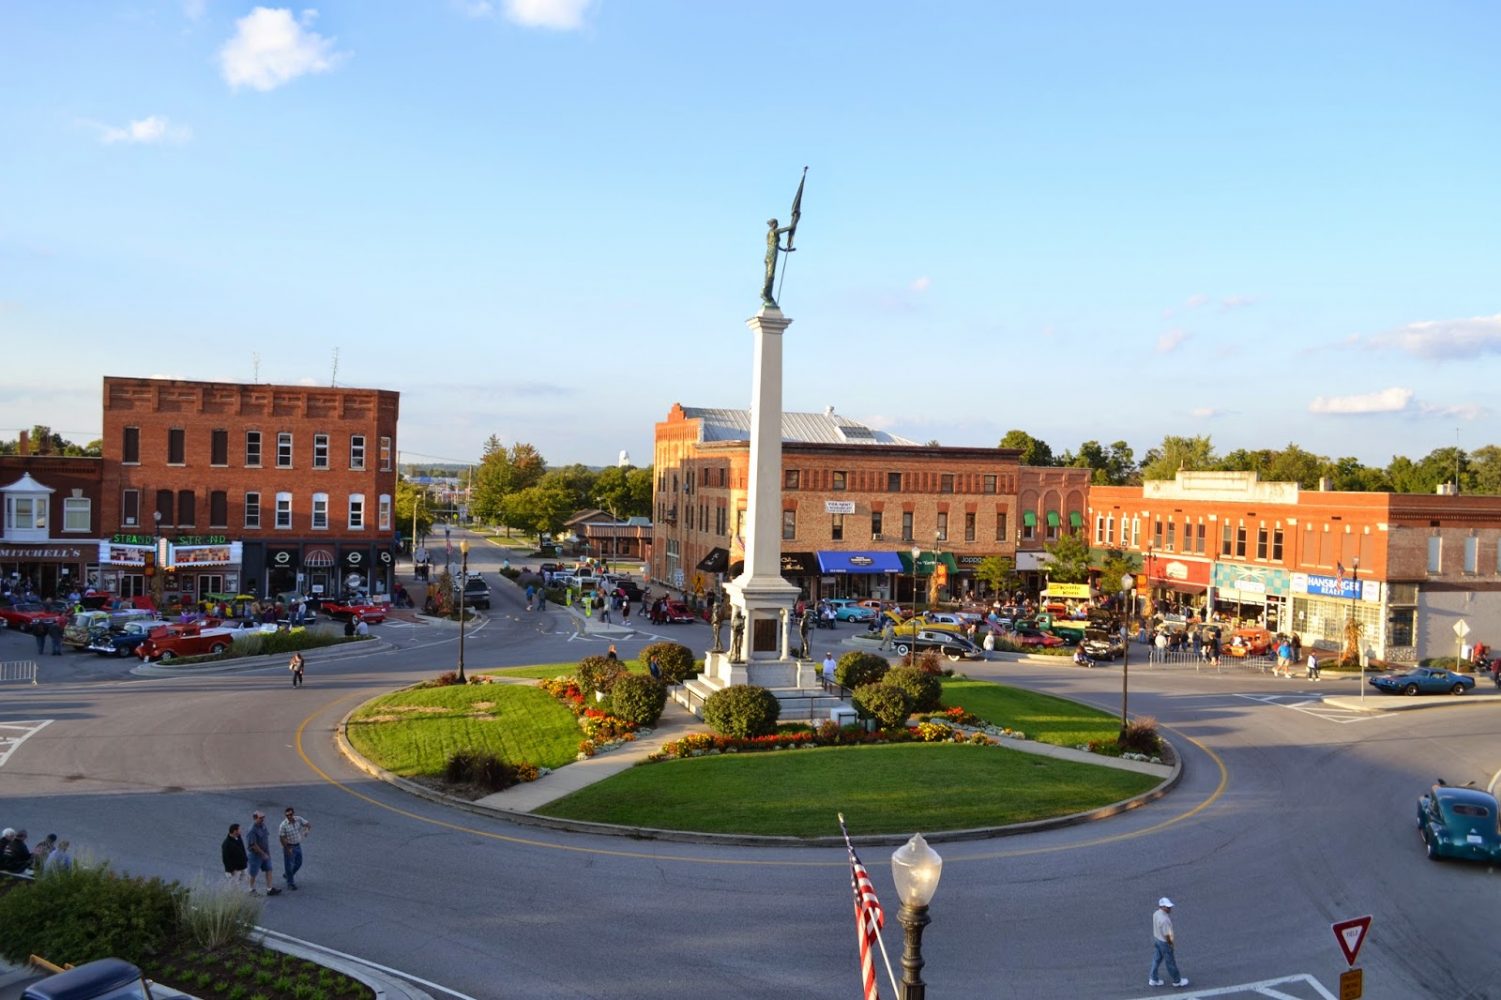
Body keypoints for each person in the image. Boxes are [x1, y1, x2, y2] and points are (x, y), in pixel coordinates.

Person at [1149, 897, 1189, 988]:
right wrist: (1171, 945)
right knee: (1170, 962)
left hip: (1157, 939)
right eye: (1167, 907)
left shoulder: (1156, 914)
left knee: (1156, 960)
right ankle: (1177, 981)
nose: (1170, 908)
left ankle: (1153, 978)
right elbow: (1168, 935)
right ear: (1162, 907)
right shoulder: (1165, 920)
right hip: (1164, 943)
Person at [246, 811, 279, 895]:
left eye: (263, 817)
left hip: (265, 853)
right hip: (255, 855)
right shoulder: (252, 830)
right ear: (255, 818)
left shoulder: (263, 826)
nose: (263, 819)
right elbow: (253, 845)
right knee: (253, 873)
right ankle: (251, 889)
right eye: (260, 818)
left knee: (269, 869)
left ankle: (269, 889)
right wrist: (262, 854)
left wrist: (266, 853)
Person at [278, 807, 310, 891]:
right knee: (289, 865)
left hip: (297, 845)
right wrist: (287, 848)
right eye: (287, 815)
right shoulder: (283, 825)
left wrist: (306, 831)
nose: (289, 816)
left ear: (293, 814)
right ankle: (290, 883)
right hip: (289, 846)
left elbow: (308, 824)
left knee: (299, 863)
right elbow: (281, 838)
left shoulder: (298, 819)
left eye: (290, 814)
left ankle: (288, 875)